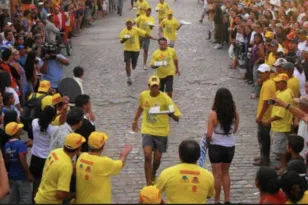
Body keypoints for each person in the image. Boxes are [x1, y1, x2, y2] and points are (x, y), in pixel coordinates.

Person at [132, 76, 182, 185]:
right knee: (147, 155)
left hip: (161, 131)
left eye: (156, 86)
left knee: (157, 159)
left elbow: (177, 117)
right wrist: (135, 120)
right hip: (148, 129)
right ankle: (148, 183)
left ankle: (153, 172)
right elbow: (141, 107)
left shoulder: (165, 99)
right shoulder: (143, 95)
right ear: (149, 86)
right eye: (152, 86)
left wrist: (170, 113)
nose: (154, 88)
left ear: (159, 86)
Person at [74, 131, 132, 203]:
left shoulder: (82, 157)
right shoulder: (103, 162)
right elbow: (120, 164)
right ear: (103, 146)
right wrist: (124, 154)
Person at [206, 87, 239, 204]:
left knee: (217, 175)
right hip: (229, 145)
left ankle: (216, 200)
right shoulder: (234, 112)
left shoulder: (213, 114)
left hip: (216, 145)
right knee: (226, 173)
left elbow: (209, 134)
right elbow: (235, 129)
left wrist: (206, 142)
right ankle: (227, 199)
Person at [34, 133, 86, 204]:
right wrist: (74, 195)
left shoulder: (55, 152)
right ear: (79, 148)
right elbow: (60, 195)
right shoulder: (66, 166)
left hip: (41, 196)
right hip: (50, 201)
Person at [264, 73, 293, 175]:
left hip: (281, 126)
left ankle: (284, 167)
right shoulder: (281, 92)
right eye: (276, 82)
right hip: (278, 126)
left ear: (284, 83)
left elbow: (280, 114)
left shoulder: (285, 95)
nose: (276, 84)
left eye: (278, 82)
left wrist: (269, 120)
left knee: (282, 149)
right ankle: (282, 165)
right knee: (281, 148)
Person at [30, 106, 58, 196]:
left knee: (35, 183)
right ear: (53, 118)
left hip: (35, 158)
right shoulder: (53, 129)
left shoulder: (34, 123)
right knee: (45, 183)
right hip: (46, 159)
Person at [119, 18, 156, 85]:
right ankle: (129, 78)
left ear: (131, 24)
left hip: (136, 50)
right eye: (128, 23)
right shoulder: (123, 31)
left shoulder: (135, 29)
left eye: (130, 23)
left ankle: (134, 64)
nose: (129, 24)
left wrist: (152, 37)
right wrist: (124, 39)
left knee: (134, 64)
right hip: (127, 50)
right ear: (126, 24)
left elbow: (144, 33)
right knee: (127, 63)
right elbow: (121, 41)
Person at [4, 122, 33, 204]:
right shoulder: (20, 144)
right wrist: (28, 174)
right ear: (16, 132)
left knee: (14, 198)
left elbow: (9, 157)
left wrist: (25, 145)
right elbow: (22, 159)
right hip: (22, 176)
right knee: (25, 198)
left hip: (12, 175)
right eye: (19, 129)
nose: (20, 130)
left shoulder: (7, 144)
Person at [254, 64, 276, 166]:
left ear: (268, 73)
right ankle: (263, 157)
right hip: (266, 115)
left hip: (264, 117)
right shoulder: (269, 82)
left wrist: (260, 116)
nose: (260, 75)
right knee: (263, 138)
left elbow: (266, 102)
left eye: (262, 73)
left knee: (263, 139)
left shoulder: (267, 85)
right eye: (259, 73)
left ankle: (265, 160)